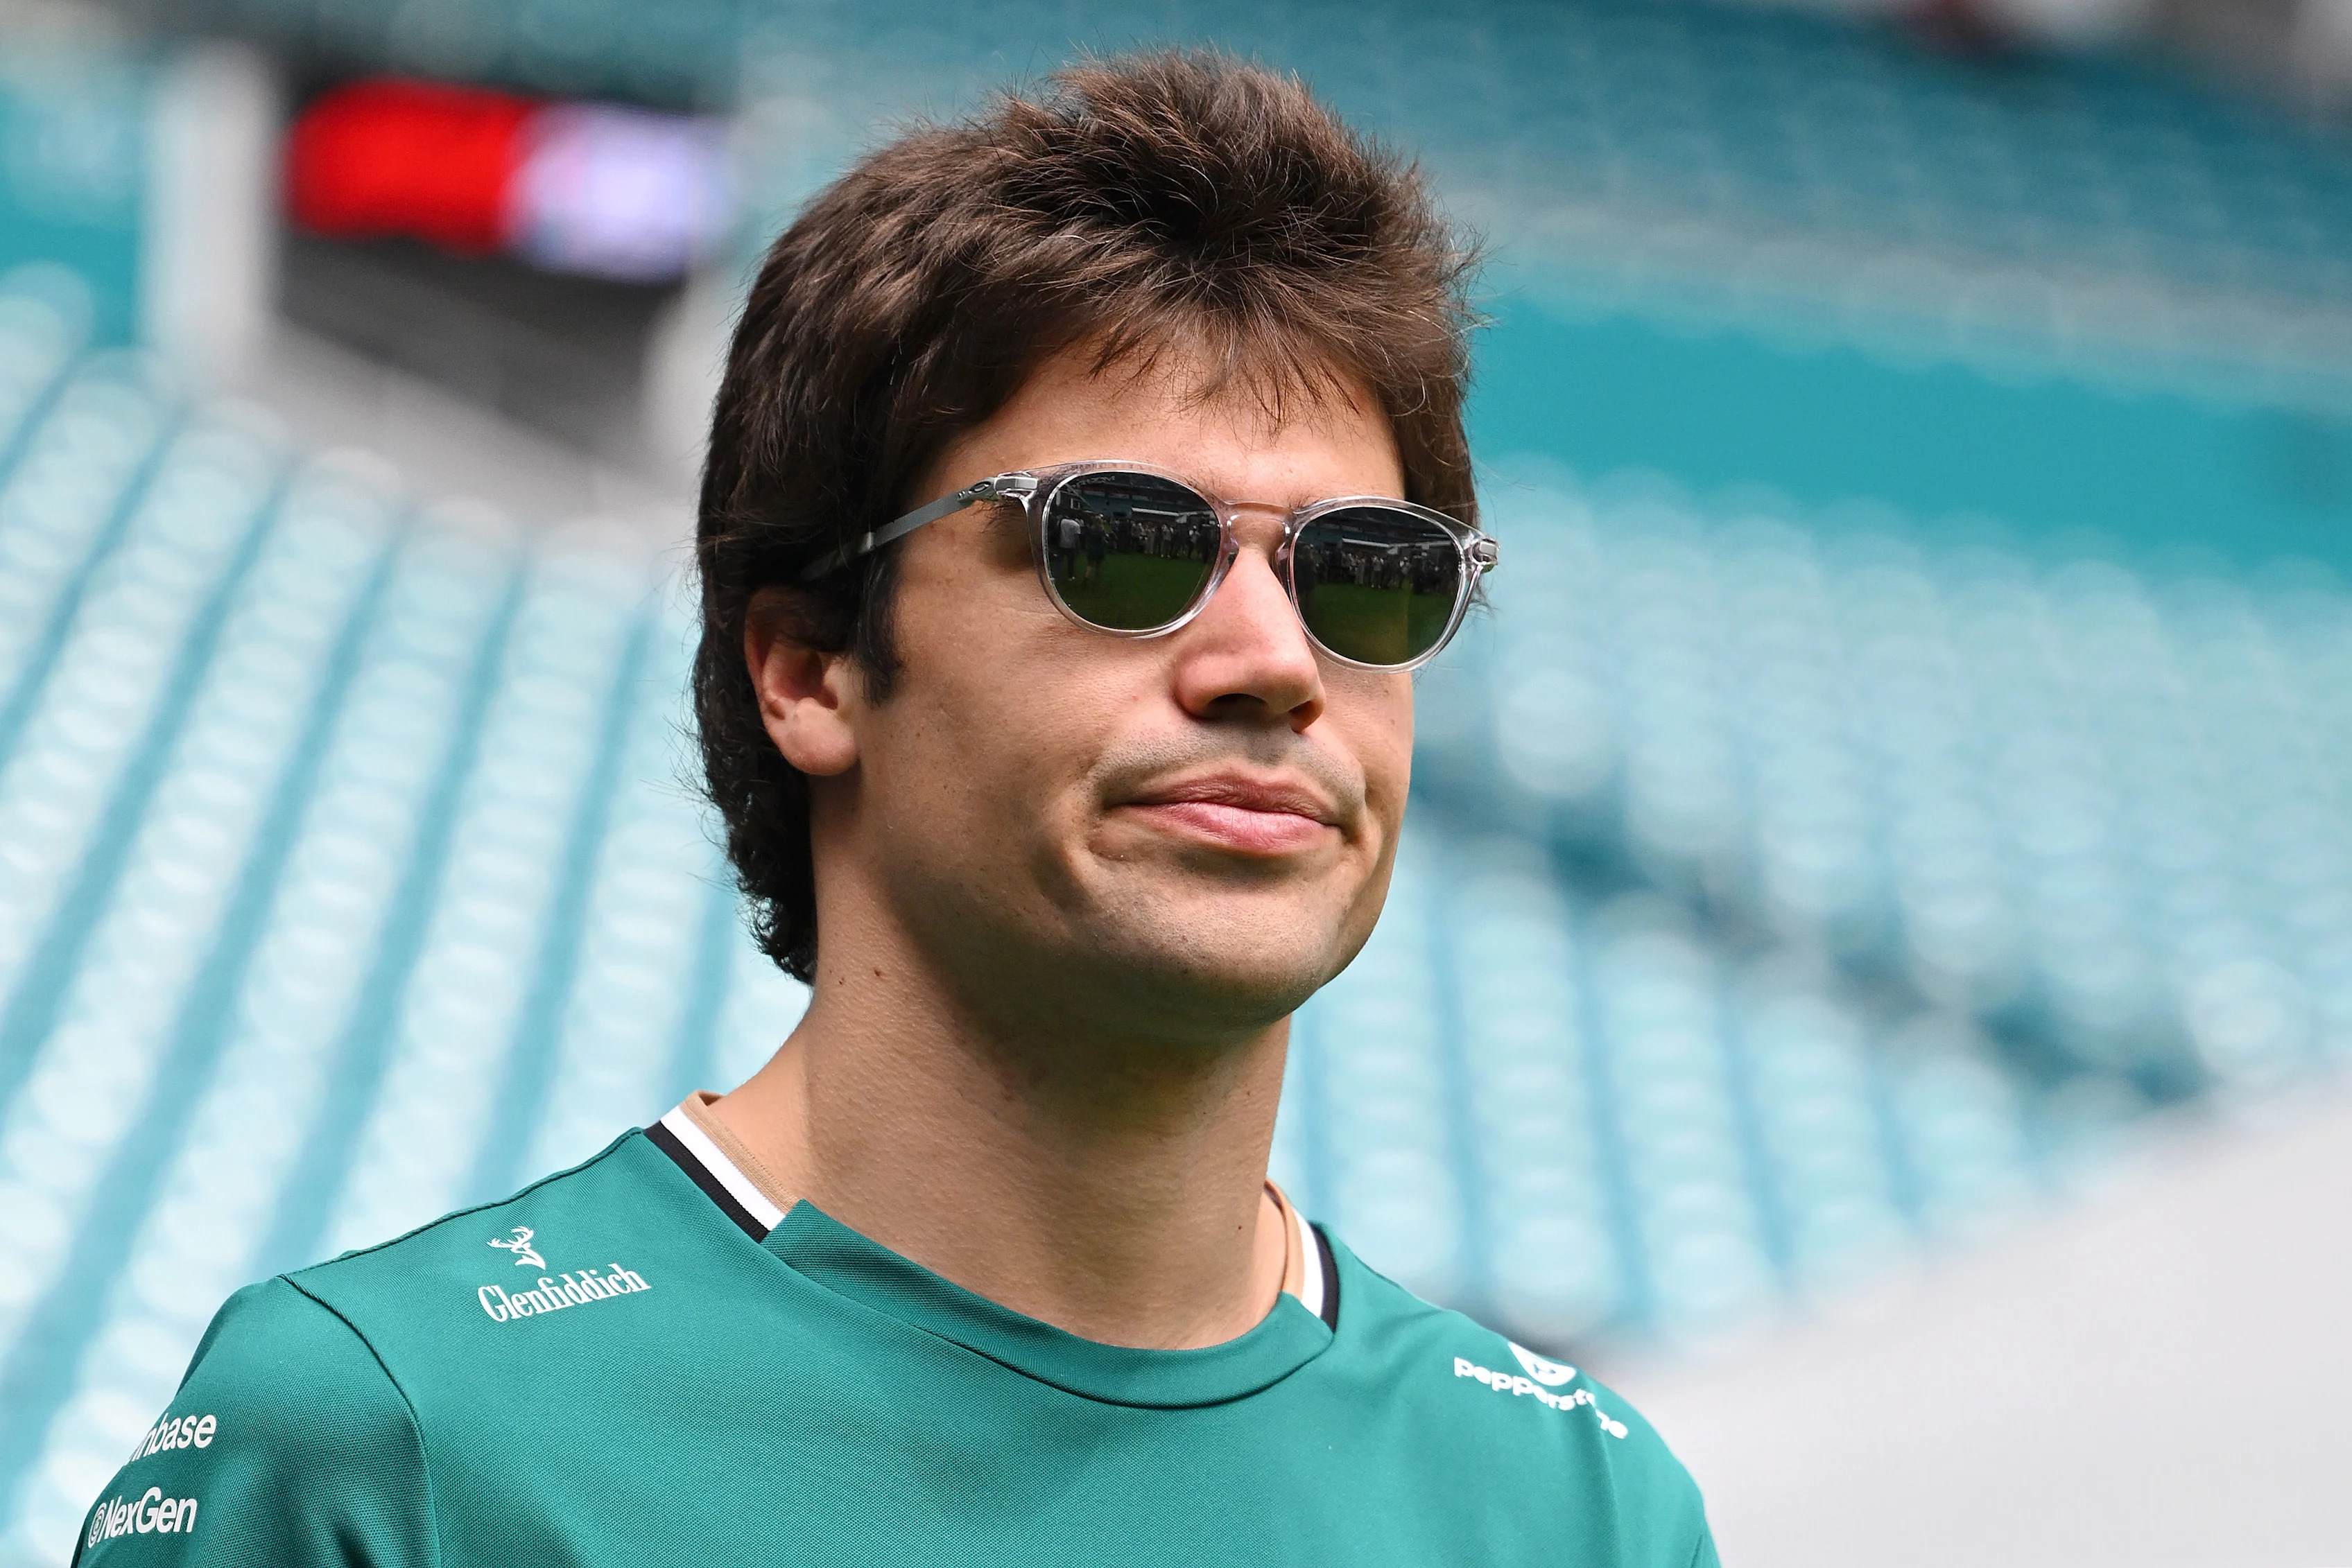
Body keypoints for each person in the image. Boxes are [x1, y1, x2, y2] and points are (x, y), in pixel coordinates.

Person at [74, 53, 1713, 1567]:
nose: (1273, 664)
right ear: (810, 669)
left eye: (1369, 574)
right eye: (1123, 544)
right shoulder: (392, 1443)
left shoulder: (1579, 1507)